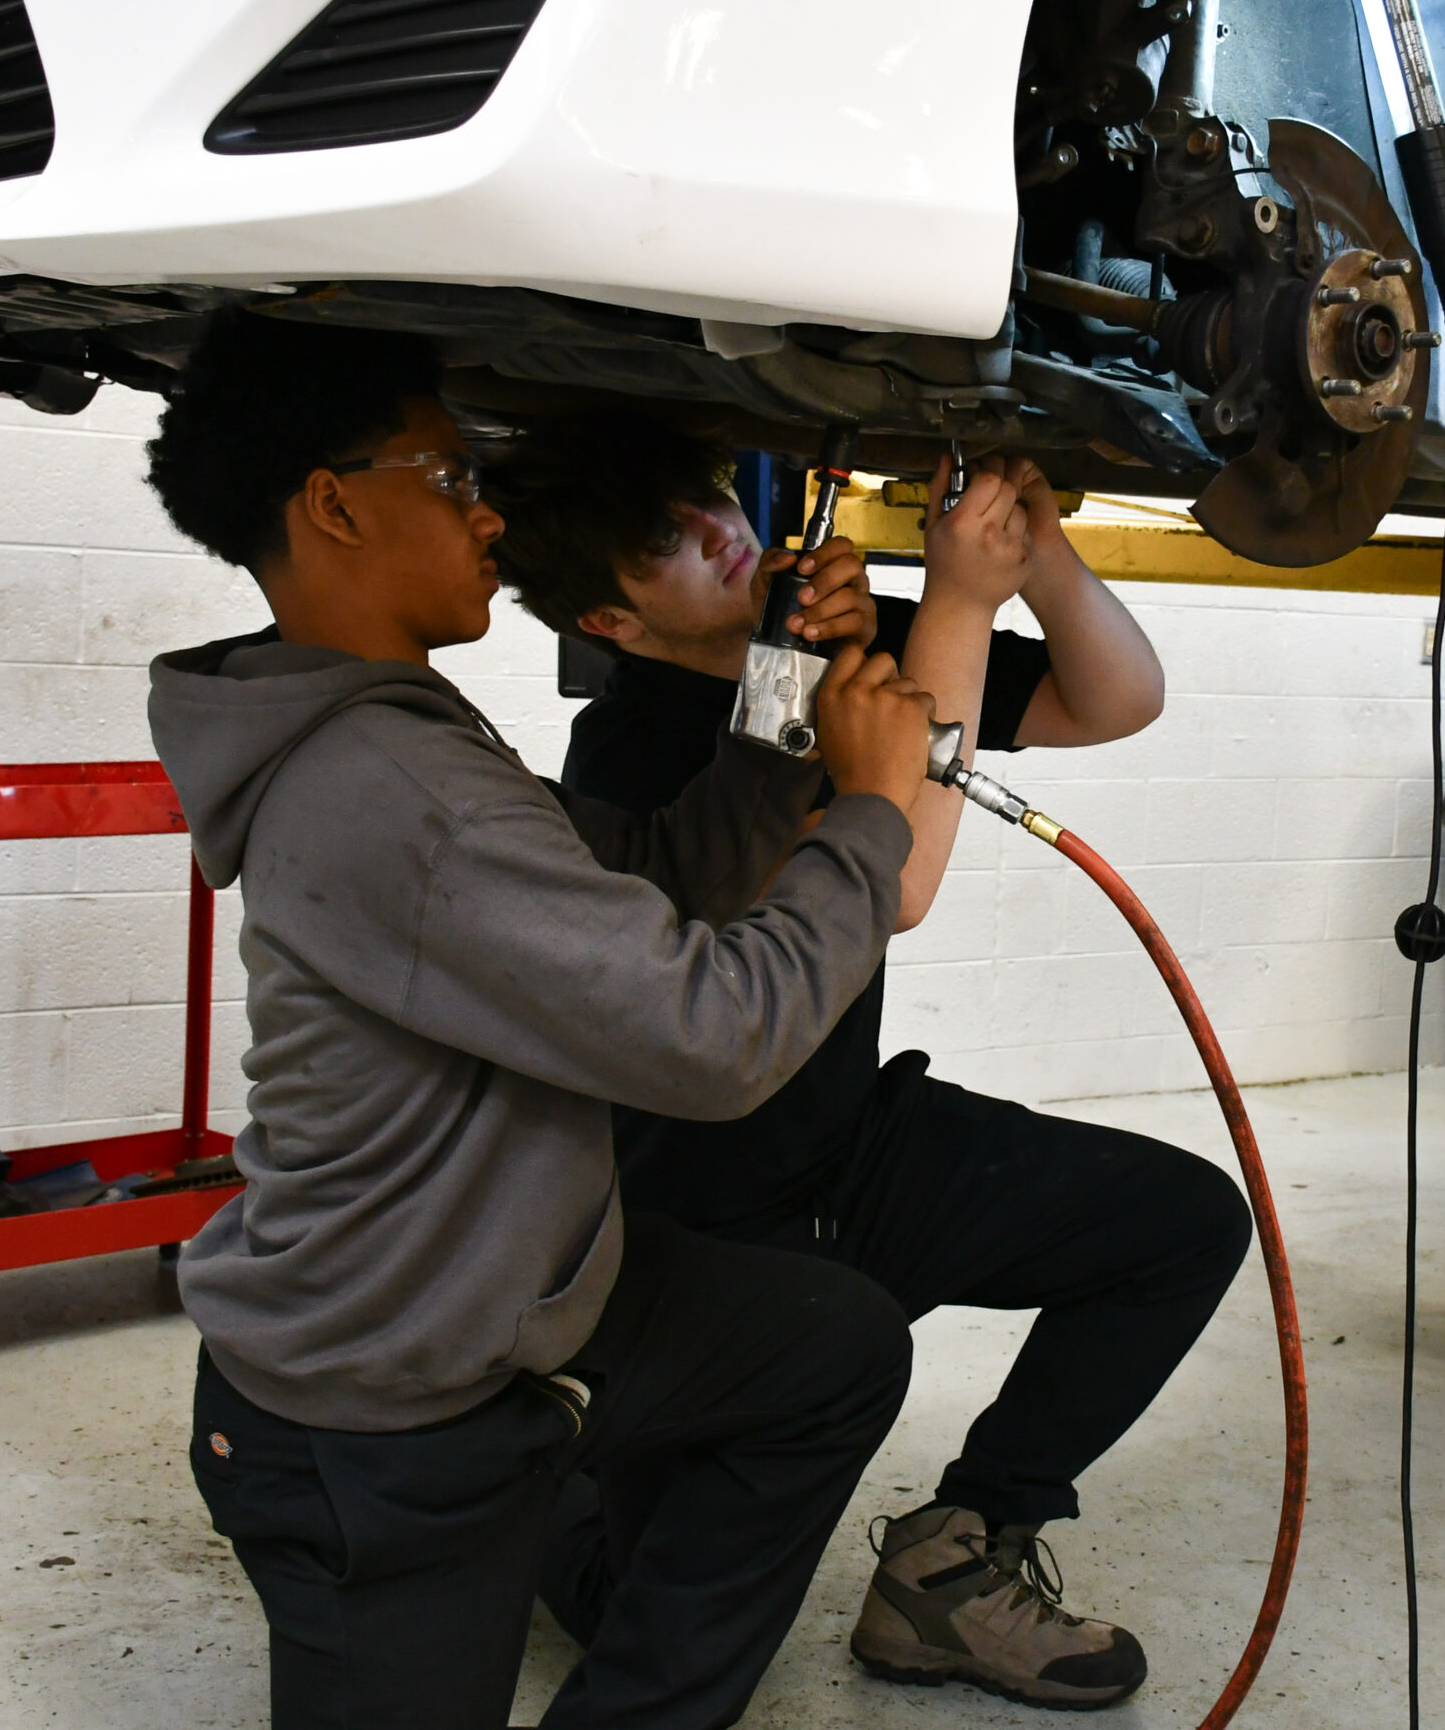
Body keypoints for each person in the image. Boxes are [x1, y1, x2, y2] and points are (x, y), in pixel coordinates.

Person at [141, 311, 940, 1730]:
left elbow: (658, 879)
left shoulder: (399, 733)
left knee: (829, 1347)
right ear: (333, 505)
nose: (489, 513)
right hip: (375, 1412)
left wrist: (784, 679)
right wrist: (873, 810)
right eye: (452, 479)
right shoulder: (398, 787)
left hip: (494, 1293)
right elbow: (712, 1036)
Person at [486, 412, 1254, 1711]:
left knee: (1181, 1226)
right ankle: (532, 1490)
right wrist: (952, 602)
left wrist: (1037, 559)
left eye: (709, 498)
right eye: (668, 540)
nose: (722, 533)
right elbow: (897, 886)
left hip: (849, 1144)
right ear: (611, 622)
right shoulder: (632, 753)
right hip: (709, 1223)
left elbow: (1116, 697)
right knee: (629, 1601)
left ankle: (958, 1556)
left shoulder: (831, 640)